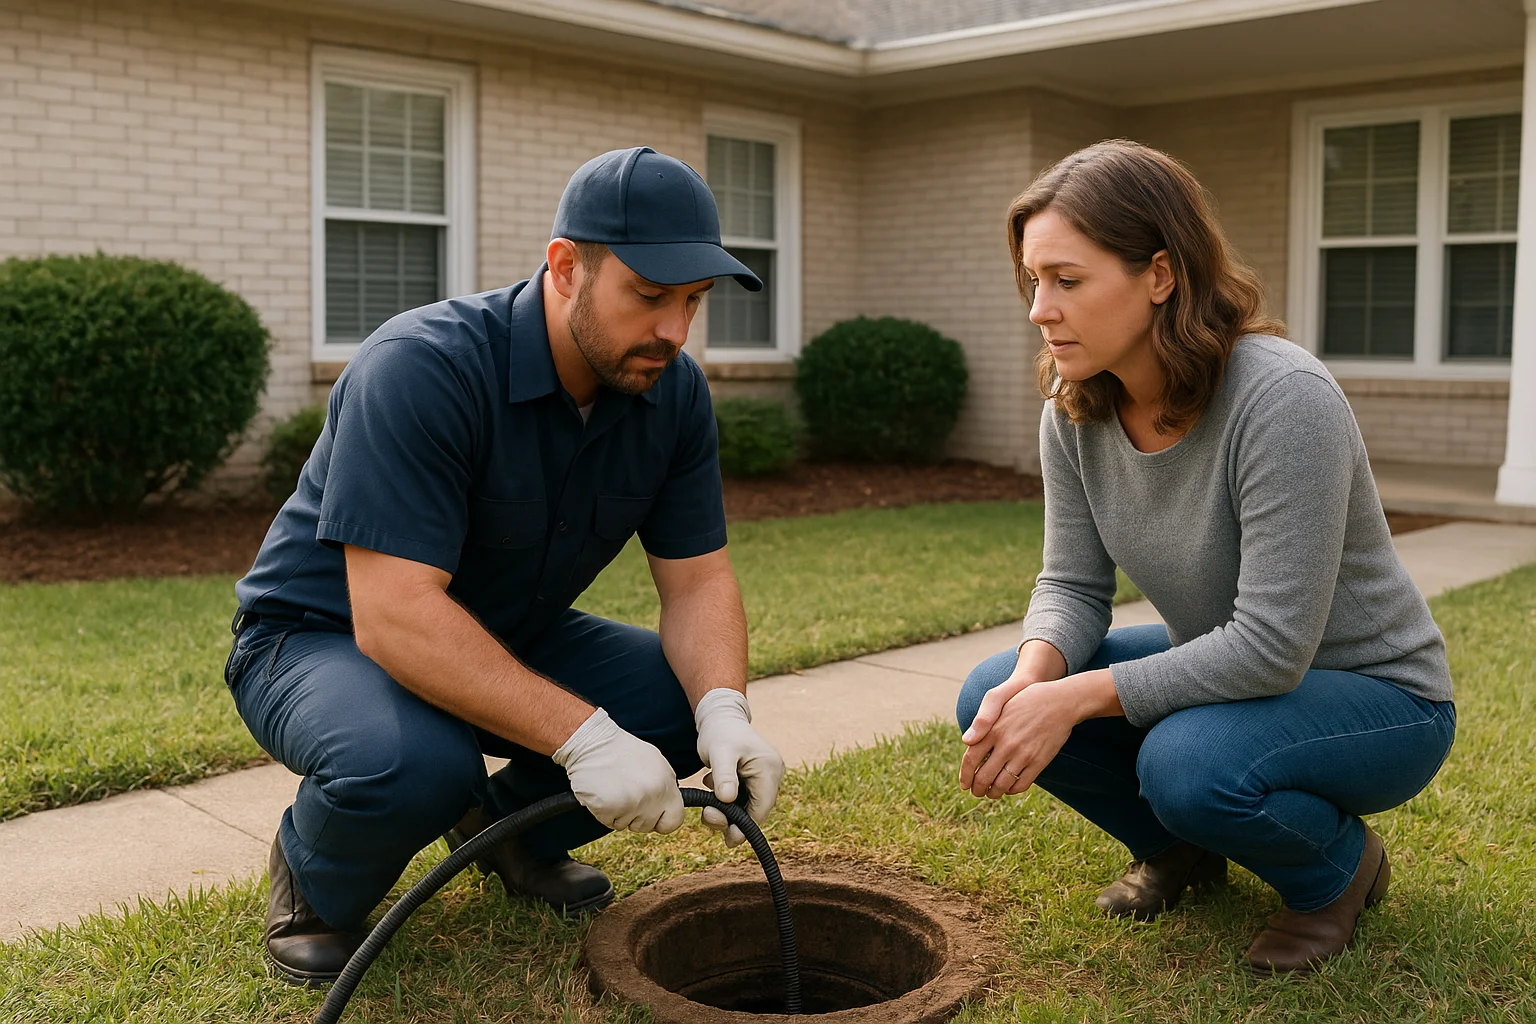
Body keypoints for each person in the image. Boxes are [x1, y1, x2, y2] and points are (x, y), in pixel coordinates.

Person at [226, 146, 785, 986]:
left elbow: (698, 577)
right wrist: (585, 738)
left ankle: (510, 833)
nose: (675, 330)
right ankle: (313, 882)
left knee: (679, 697)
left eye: (694, 303)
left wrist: (725, 709)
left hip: (503, 629)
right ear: (566, 267)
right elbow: (394, 614)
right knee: (417, 762)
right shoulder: (422, 366)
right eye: (649, 295)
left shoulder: (671, 394)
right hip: (317, 638)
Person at [954, 140, 1455, 975]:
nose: (1040, 308)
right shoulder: (1074, 409)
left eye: (1067, 280)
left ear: (1160, 274)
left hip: (1381, 696)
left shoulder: (1282, 398)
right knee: (998, 688)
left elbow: (1272, 644)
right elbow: (1073, 584)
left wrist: (1078, 696)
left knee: (1184, 761)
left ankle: (1337, 872)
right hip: (1241, 671)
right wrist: (1035, 676)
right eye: (1034, 280)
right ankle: (1183, 849)